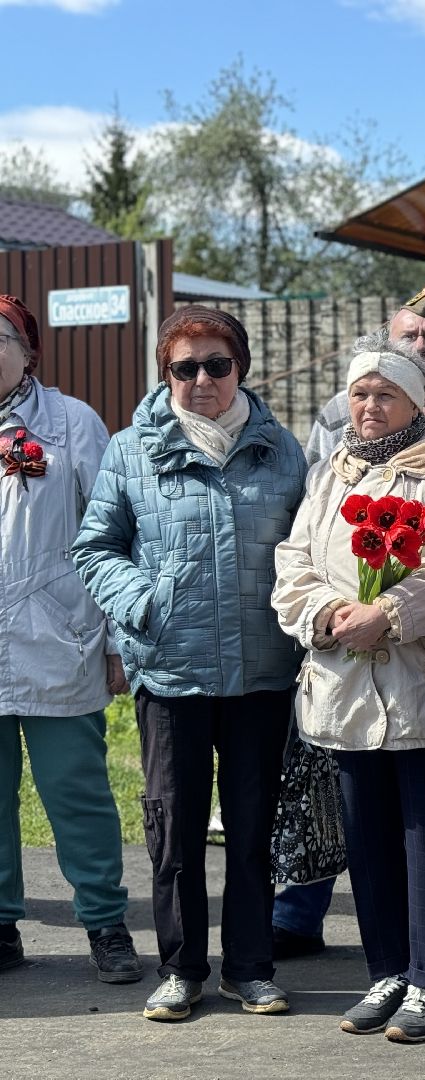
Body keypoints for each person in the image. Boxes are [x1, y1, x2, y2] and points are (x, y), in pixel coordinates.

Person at [72, 305, 308, 1021]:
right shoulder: (129, 450)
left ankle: (250, 967)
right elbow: (95, 547)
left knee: (251, 824)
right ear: (164, 371)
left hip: (262, 669)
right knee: (174, 828)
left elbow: (306, 546)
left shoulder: (281, 449)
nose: (202, 380)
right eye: (185, 367)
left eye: (217, 365)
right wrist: (145, 603)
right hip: (170, 668)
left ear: (240, 367)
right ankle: (181, 969)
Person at [276, 282, 425, 959]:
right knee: (359, 812)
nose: (370, 405)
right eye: (407, 336)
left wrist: (387, 612)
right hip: (343, 662)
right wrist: (328, 612)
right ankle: (346, 936)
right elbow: (300, 547)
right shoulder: (335, 454)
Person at [0, 294, 140, 985]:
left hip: (58, 638)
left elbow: (115, 535)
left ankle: (106, 923)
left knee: (75, 791)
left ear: (28, 353)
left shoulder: (72, 424)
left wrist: (116, 636)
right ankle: (0, 925)